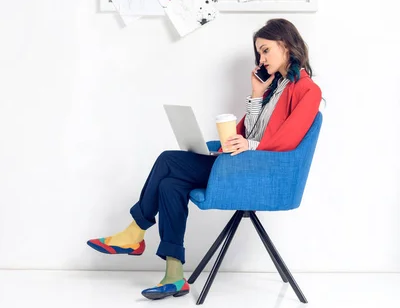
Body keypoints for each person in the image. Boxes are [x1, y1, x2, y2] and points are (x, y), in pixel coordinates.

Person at [87, 18, 322, 301]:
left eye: (265, 50)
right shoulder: (275, 87)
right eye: (259, 52)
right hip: (241, 164)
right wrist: (257, 94)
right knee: (170, 185)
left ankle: (135, 232)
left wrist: (249, 144)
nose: (261, 58)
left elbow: (289, 140)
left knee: (168, 160)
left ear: (285, 45)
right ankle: (174, 277)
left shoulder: (308, 90)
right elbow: (249, 131)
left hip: (258, 173)